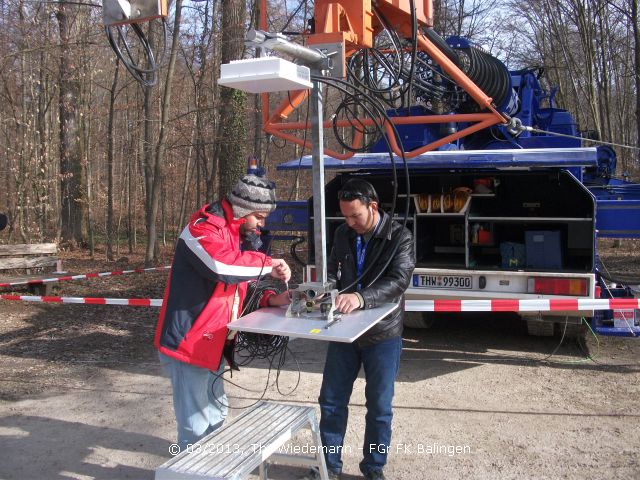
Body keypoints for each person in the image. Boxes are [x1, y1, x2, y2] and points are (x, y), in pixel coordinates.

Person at [154, 173, 292, 451]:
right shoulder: (202, 228)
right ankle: (193, 469)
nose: (262, 225)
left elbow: (238, 287)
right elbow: (222, 267)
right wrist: (268, 263)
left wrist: (271, 298)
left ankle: (213, 467)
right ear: (242, 210)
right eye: (259, 217)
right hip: (189, 343)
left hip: (214, 342)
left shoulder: (234, 235)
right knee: (195, 426)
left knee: (216, 413)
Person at [313, 179, 415, 480]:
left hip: (382, 334)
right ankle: (329, 467)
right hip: (344, 332)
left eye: (355, 215)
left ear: (373, 206)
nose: (350, 222)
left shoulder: (400, 237)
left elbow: (399, 280)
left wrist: (360, 297)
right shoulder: (343, 233)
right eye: (345, 216)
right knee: (331, 401)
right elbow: (332, 269)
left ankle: (373, 468)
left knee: (379, 407)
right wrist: (325, 290)